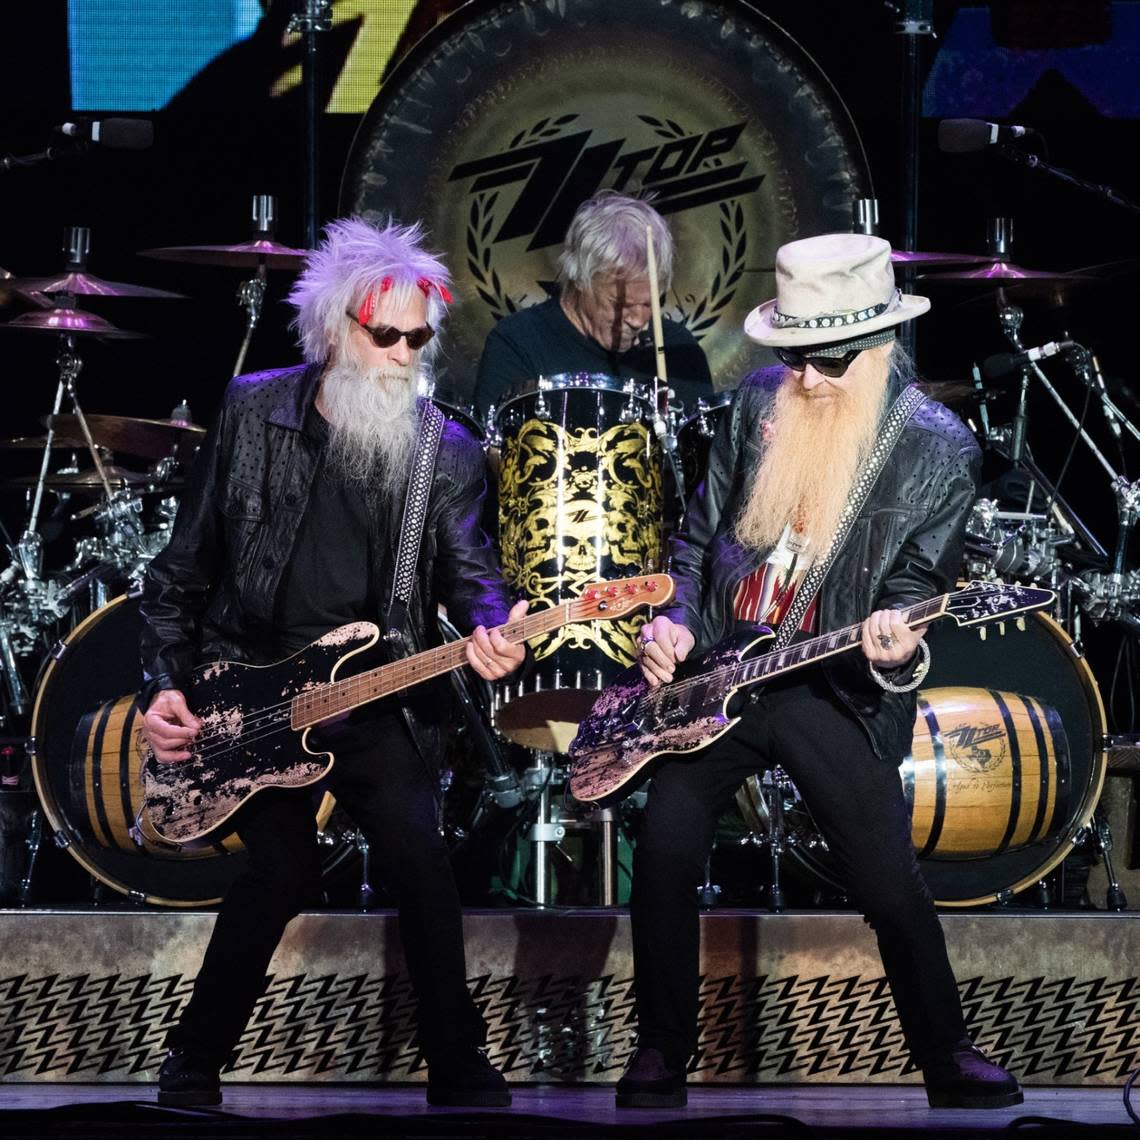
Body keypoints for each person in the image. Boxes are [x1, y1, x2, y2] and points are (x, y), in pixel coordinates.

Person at [617, 233, 1023, 1110]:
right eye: (794, 356)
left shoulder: (935, 446)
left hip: (827, 682)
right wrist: (674, 623)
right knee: (664, 849)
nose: (805, 378)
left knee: (884, 878)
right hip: (723, 675)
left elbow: (915, 589)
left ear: (877, 347)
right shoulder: (758, 401)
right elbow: (697, 539)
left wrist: (898, 644)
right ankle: (660, 1053)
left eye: (827, 362)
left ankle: (946, 1054)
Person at [138, 218, 525, 1109]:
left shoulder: (446, 450)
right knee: (279, 872)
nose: (399, 353)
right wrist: (165, 682)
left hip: (370, 691)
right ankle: (193, 1061)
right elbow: (178, 573)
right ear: (332, 328)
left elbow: (473, 577)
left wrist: (495, 629)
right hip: (248, 685)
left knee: (424, 865)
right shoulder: (252, 409)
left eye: (417, 338)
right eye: (380, 333)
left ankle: (455, 1063)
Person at [472, 191, 712, 419]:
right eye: (621, 303)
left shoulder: (679, 350)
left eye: (650, 303)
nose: (638, 319)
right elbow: (497, 452)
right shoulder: (518, 343)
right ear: (580, 279)